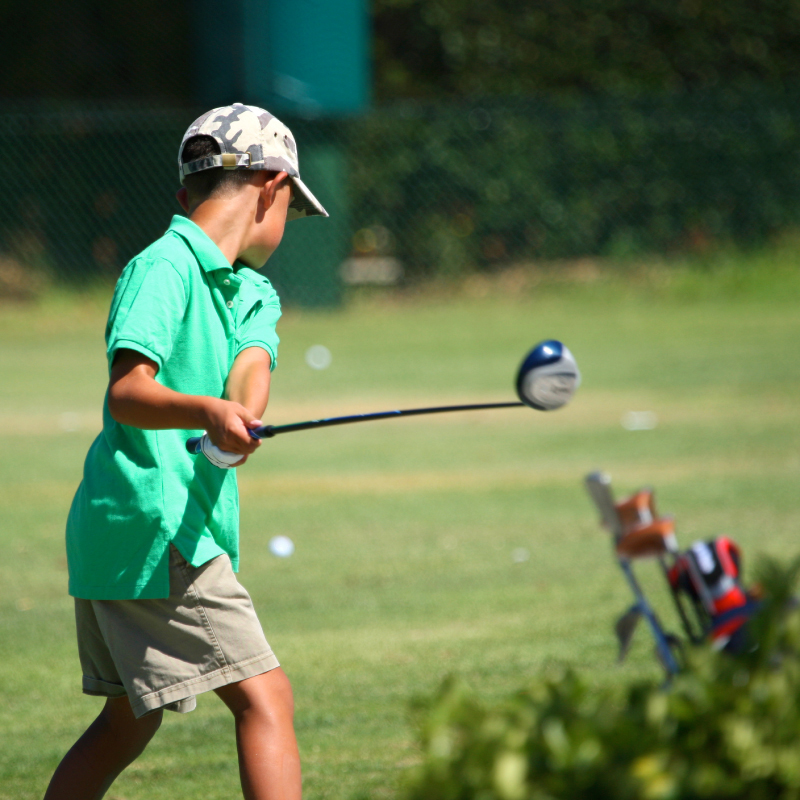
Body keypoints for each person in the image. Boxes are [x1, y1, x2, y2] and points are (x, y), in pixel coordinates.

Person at [44, 103, 328, 800]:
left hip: (134, 529)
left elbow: (250, 369)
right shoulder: (162, 267)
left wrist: (237, 424)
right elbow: (128, 390)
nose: (288, 225)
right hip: (157, 524)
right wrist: (208, 412)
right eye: (292, 205)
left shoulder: (252, 290)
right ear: (271, 186)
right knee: (268, 698)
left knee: (126, 725)